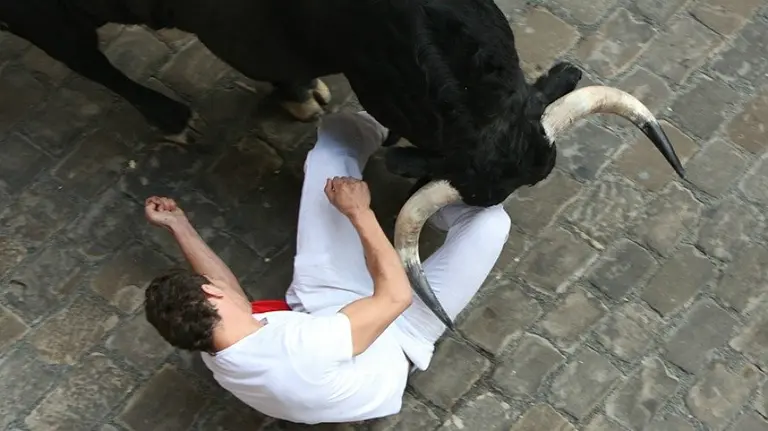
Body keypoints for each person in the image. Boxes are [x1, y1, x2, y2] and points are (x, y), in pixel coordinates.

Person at [143, 111, 511, 424]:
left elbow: (228, 292)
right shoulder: (300, 350)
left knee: (329, 153)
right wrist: (359, 212)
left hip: (322, 305)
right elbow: (395, 297)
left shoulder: (214, 345)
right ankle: (435, 204)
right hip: (400, 336)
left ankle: (386, 121)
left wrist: (179, 225)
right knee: (490, 223)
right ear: (210, 293)